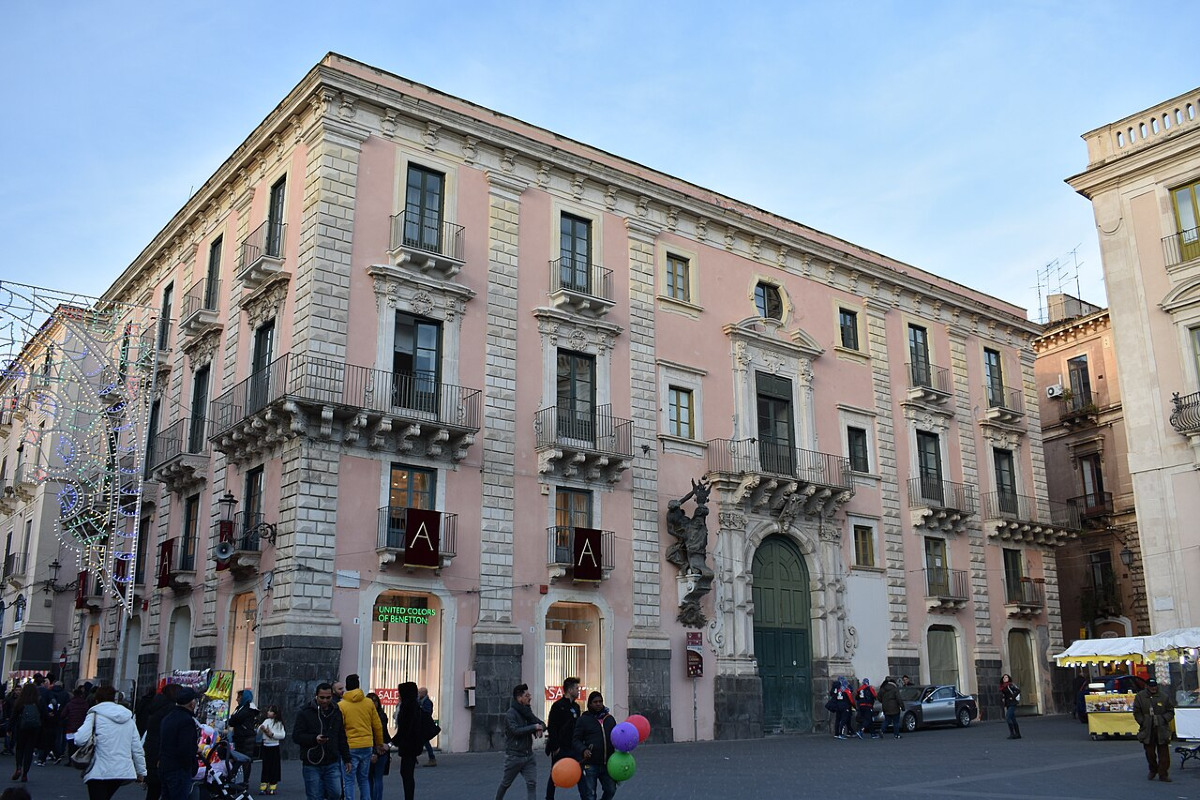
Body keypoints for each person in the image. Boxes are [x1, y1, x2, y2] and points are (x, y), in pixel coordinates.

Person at [74, 684, 147, 800]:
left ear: (97, 699)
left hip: (98, 768)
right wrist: (141, 771)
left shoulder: (94, 715)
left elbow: (80, 739)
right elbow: (137, 748)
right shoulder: (127, 718)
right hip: (121, 769)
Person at [293, 682, 351, 800]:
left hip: (331, 760)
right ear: (316, 696)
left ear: (332, 696)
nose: (325, 700)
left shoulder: (336, 711)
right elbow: (297, 736)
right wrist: (314, 739)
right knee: (315, 796)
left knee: (336, 793)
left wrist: (347, 758)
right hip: (312, 761)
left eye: (328, 697)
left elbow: (341, 736)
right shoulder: (305, 712)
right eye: (322, 697)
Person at [495, 683, 545, 800]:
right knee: (506, 783)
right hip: (514, 756)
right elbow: (515, 731)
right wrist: (534, 727)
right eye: (527, 696)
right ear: (519, 698)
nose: (530, 698)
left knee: (532, 783)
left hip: (528, 756)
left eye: (529, 695)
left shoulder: (527, 711)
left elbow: (539, 723)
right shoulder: (511, 714)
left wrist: (540, 728)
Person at [339, 674, 385, 800]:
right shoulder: (368, 703)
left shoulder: (342, 705)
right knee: (364, 779)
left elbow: (340, 728)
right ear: (358, 686)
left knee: (349, 780)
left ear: (347, 686)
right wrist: (379, 743)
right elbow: (377, 725)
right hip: (367, 745)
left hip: (350, 746)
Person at [392, 682, 439, 800]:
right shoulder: (413, 705)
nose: (398, 695)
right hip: (412, 744)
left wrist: (391, 742)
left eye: (400, 692)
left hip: (409, 745)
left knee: (406, 773)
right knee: (406, 773)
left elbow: (405, 729)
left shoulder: (408, 708)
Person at [157, 686, 201, 800]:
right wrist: (191, 762)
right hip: (179, 769)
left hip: (165, 765)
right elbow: (185, 748)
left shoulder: (168, 717)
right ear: (191, 703)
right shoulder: (186, 721)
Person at [572, 691, 616, 800]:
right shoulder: (583, 720)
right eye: (595, 702)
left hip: (607, 763)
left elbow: (616, 737)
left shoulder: (609, 719)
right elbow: (576, 740)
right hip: (590, 764)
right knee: (590, 795)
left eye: (600, 701)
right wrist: (583, 750)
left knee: (611, 790)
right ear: (590, 704)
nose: (598, 704)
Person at [545, 678, 582, 800]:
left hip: (574, 747)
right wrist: (556, 747)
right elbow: (552, 727)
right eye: (576, 688)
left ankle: (586, 797)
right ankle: (549, 798)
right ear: (570, 690)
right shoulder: (558, 706)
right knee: (554, 774)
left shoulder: (576, 707)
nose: (578, 691)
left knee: (580, 772)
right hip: (561, 748)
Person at [141, 683, 180, 800]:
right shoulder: (170, 710)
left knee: (153, 790)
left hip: (152, 750)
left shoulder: (157, 707)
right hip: (161, 754)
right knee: (161, 790)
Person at [1133, 678, 1175, 782]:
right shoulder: (1140, 697)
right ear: (1147, 686)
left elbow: (1170, 711)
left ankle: (1163, 774)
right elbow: (1137, 712)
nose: (1153, 688)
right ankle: (1153, 769)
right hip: (1147, 729)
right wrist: (1143, 722)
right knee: (1150, 753)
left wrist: (1164, 719)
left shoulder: (1164, 696)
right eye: (1151, 686)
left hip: (1161, 728)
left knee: (1164, 754)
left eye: (1155, 686)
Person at [11, 683, 45, 781]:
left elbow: (14, 716)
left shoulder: (20, 701)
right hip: (34, 728)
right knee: (29, 750)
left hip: (21, 728)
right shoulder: (38, 701)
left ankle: (18, 767)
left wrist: (10, 728)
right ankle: (25, 773)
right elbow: (44, 715)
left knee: (20, 748)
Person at [227, 688, 259, 785]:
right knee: (239, 758)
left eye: (239, 697)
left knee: (245, 759)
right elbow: (232, 721)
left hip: (246, 738)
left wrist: (233, 719)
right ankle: (239, 780)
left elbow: (236, 719)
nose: (237, 699)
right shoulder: (239, 708)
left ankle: (244, 781)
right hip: (240, 737)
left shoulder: (248, 709)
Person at [257, 704, 286, 795]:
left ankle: (273, 785)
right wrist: (261, 729)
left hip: (274, 746)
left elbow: (282, 735)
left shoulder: (279, 723)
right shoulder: (266, 721)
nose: (268, 712)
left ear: (275, 714)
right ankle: (264, 785)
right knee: (265, 766)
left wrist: (272, 734)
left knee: (274, 767)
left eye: (270, 711)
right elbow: (259, 731)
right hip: (266, 746)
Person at [365, 694, 389, 800]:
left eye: (375, 701)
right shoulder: (382, 715)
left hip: (372, 749)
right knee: (376, 778)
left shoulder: (366, 717)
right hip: (381, 748)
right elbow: (385, 735)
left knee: (371, 778)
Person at [417, 686, 437, 766]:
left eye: (419, 692)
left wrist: (420, 708)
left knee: (425, 742)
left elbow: (427, 713)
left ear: (424, 693)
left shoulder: (427, 702)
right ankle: (431, 758)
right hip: (420, 724)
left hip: (424, 725)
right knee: (421, 742)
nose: (418, 694)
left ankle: (432, 758)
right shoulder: (419, 701)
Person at [1000, 673, 1022, 740]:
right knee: (1013, 719)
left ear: (1009, 678)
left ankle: (1012, 734)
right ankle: (1018, 734)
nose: (1005, 679)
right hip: (1008, 703)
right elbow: (1004, 695)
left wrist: (1012, 697)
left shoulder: (1010, 685)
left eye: (1006, 677)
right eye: (1004, 678)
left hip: (1012, 703)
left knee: (1008, 717)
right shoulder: (1003, 686)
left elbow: (1018, 690)